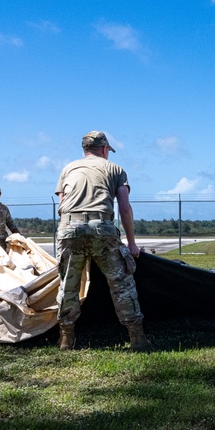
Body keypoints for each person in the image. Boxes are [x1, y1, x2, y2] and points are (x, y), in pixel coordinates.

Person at [54, 130, 149, 351]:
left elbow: (62, 204)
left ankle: (66, 338)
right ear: (105, 149)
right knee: (121, 283)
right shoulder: (115, 169)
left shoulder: (68, 169)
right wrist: (131, 244)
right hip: (102, 228)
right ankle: (137, 338)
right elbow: (124, 207)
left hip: (69, 228)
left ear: (85, 149)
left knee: (68, 285)